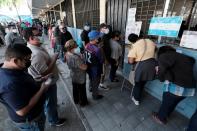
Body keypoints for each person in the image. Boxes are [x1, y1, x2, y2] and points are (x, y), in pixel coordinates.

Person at [0, 44, 48, 131]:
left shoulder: (12, 68)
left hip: (36, 114)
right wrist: (42, 89)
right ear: (15, 60)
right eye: (27, 60)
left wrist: (38, 80)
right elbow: (22, 111)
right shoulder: (10, 84)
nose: (29, 61)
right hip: (31, 120)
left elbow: (23, 82)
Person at [23, 28, 66, 127]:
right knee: (50, 101)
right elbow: (44, 72)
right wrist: (54, 59)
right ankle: (54, 120)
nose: (41, 35)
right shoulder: (35, 54)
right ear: (31, 38)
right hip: (47, 82)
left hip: (49, 81)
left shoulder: (37, 46)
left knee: (51, 100)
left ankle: (52, 109)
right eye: (38, 34)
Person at [152, 46, 196, 125]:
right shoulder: (181, 56)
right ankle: (166, 115)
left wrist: (159, 75)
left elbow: (161, 74)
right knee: (173, 103)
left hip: (177, 88)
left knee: (166, 103)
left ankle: (161, 118)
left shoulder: (164, 56)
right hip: (189, 89)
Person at [128, 33, 157, 106]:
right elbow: (156, 49)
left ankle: (136, 99)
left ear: (132, 42)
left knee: (137, 84)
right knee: (143, 82)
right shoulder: (149, 41)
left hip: (141, 67)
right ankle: (139, 93)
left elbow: (131, 61)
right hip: (152, 65)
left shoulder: (134, 46)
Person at [65, 39, 89, 106]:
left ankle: (76, 100)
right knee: (82, 90)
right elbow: (84, 67)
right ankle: (83, 102)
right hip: (80, 76)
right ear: (72, 47)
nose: (77, 47)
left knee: (75, 89)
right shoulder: (75, 57)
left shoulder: (67, 54)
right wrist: (85, 63)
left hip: (73, 74)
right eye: (76, 46)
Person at [85, 30, 104, 100]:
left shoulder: (86, 45)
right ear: (95, 39)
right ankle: (95, 96)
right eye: (98, 37)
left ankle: (90, 88)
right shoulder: (97, 49)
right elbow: (101, 60)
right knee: (96, 82)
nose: (99, 38)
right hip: (95, 68)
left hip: (89, 67)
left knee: (91, 78)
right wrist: (101, 49)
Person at [98, 23, 112, 90]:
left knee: (103, 71)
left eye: (107, 28)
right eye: (105, 28)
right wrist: (105, 59)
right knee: (103, 71)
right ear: (101, 29)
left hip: (105, 56)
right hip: (103, 57)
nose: (107, 29)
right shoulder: (101, 37)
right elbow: (101, 49)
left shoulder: (104, 35)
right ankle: (101, 84)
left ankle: (100, 82)